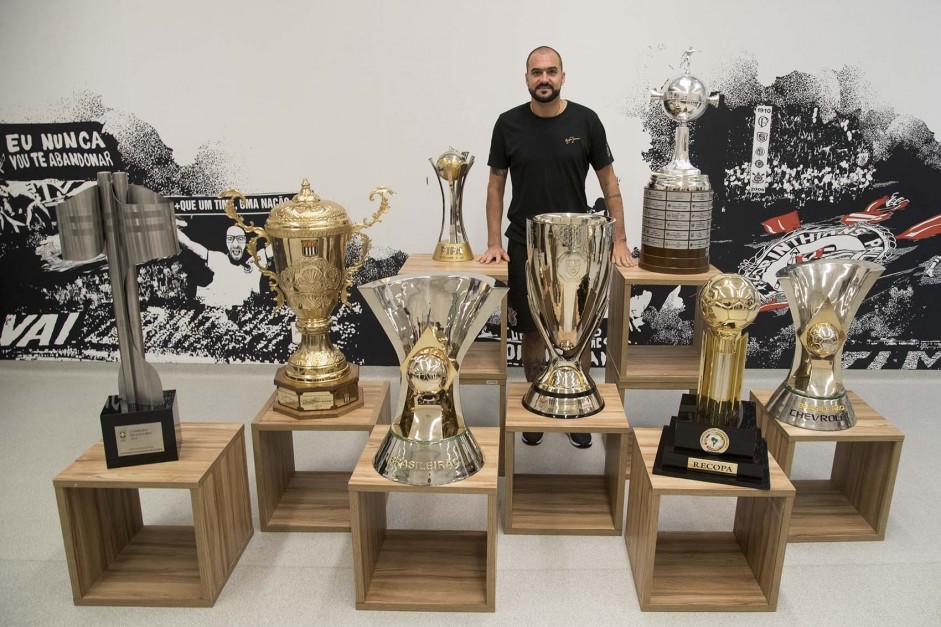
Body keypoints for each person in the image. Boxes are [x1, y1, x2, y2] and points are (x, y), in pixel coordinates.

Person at [477, 45, 636, 449]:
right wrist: (495, 241)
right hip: (524, 245)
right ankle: (539, 396)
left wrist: (620, 240)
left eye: (551, 71)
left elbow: (609, 183)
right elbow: (495, 186)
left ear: (563, 76)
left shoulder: (586, 120)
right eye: (535, 72)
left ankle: (576, 402)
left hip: (575, 246)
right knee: (532, 331)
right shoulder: (507, 124)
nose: (543, 79)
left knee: (574, 332)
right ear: (526, 78)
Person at [176, 221, 269, 310]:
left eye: (240, 239)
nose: (235, 244)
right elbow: (190, 244)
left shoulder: (254, 263)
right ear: (226, 242)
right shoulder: (221, 261)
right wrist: (172, 226)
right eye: (230, 239)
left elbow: (276, 245)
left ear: (245, 241)